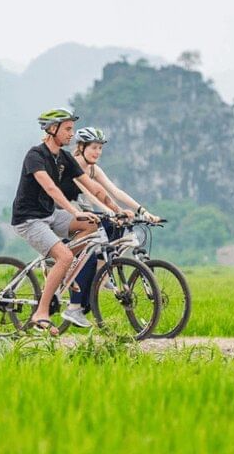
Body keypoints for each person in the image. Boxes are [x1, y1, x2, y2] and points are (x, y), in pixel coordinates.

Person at [11, 108, 128, 335]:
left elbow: (94, 187)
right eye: (67, 129)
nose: (71, 134)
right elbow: (50, 188)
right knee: (65, 255)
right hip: (29, 219)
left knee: (92, 226)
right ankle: (41, 313)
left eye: (72, 129)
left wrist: (118, 210)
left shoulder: (64, 158)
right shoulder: (35, 155)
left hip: (50, 215)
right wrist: (75, 212)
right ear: (52, 129)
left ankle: (63, 268)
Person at [55, 127, 160, 324]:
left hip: (82, 213)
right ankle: (76, 304)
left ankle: (102, 272)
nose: (98, 152)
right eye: (94, 147)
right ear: (81, 147)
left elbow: (115, 191)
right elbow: (92, 194)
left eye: (100, 148)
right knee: (95, 242)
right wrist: (111, 212)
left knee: (116, 228)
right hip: (64, 214)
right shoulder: (72, 165)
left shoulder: (93, 169)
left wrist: (143, 211)